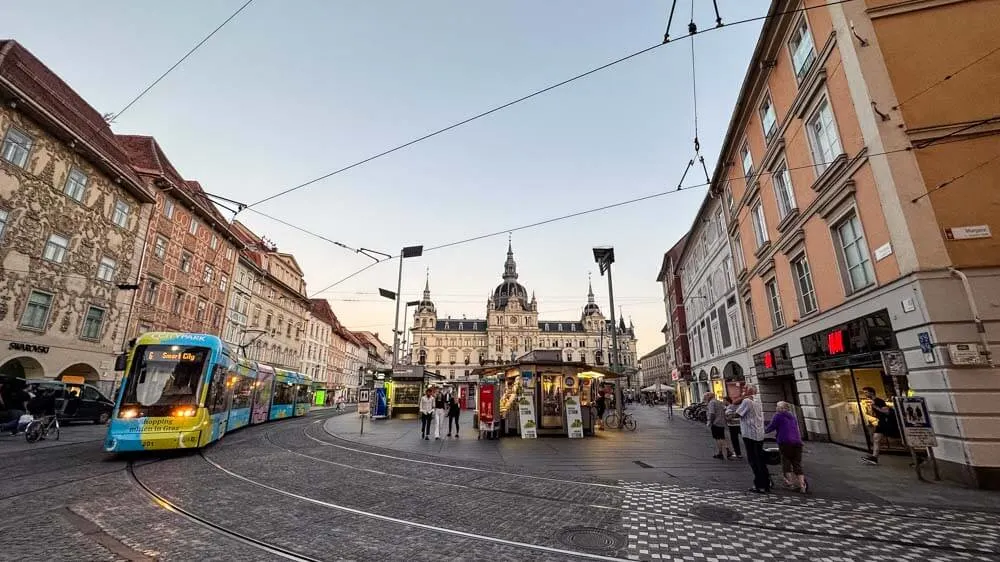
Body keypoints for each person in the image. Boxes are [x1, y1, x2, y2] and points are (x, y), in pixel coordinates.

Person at [733, 385, 770, 493]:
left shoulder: (747, 401)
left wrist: (743, 396)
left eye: (744, 389)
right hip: (759, 433)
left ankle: (759, 484)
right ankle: (766, 483)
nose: (742, 391)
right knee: (760, 460)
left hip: (749, 434)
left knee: (754, 460)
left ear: (748, 391)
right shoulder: (757, 399)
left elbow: (738, 413)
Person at [765, 401, 807, 493]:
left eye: (778, 407)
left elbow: (771, 427)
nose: (776, 408)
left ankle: (790, 483)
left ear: (781, 408)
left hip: (785, 442)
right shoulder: (792, 416)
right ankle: (802, 485)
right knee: (797, 464)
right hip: (797, 442)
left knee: (786, 461)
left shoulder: (778, 416)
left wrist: (762, 432)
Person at [861, 386, 899, 465]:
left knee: (898, 438)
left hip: (886, 423)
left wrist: (875, 407)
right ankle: (874, 457)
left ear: (871, 392)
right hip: (881, 423)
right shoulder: (873, 401)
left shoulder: (878, 401)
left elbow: (886, 412)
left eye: (866, 392)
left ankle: (917, 456)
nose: (865, 394)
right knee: (876, 439)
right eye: (864, 393)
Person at [705, 392, 734, 459]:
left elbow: (712, 413)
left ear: (709, 396)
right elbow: (724, 409)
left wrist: (711, 422)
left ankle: (722, 452)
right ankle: (725, 450)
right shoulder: (719, 402)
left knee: (718, 438)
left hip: (716, 422)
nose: (705, 397)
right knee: (722, 437)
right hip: (721, 422)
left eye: (706, 396)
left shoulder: (712, 402)